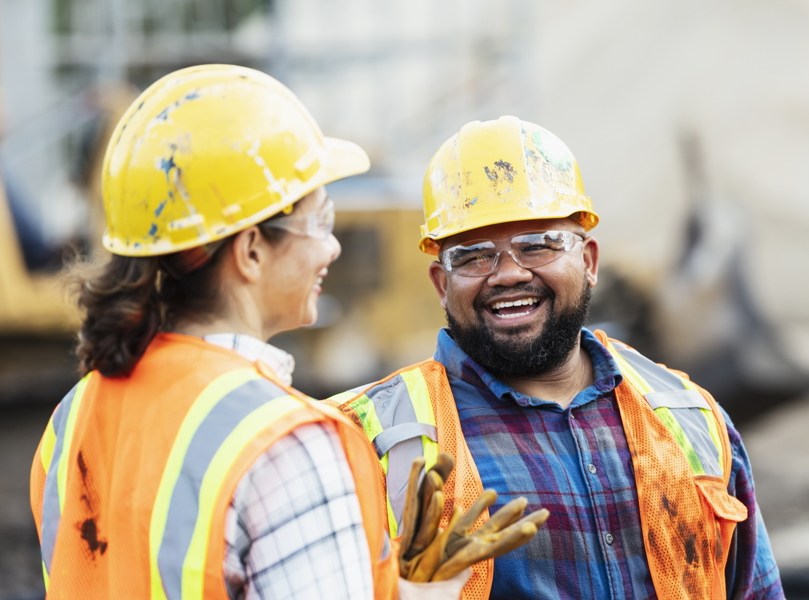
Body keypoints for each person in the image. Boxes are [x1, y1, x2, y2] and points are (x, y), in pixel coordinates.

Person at [28, 65, 524, 600]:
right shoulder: (289, 442)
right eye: (320, 222)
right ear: (251, 251)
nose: (332, 248)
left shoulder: (74, 415)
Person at [324, 116, 784, 600]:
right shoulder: (361, 440)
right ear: (442, 284)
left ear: (588, 262)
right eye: (474, 256)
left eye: (538, 246)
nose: (506, 274)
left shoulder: (691, 415)